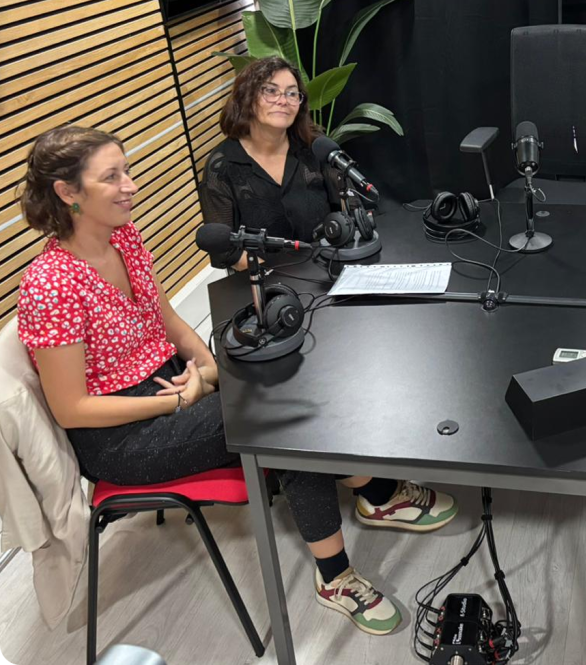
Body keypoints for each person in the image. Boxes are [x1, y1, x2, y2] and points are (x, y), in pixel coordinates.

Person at [17, 126, 458, 637]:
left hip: (172, 381)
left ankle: (374, 492)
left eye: (127, 171)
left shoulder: (123, 237)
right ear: (67, 192)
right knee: (280, 422)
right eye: (111, 177)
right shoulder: (50, 285)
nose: (130, 186)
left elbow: (168, 321)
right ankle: (339, 569)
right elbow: (71, 408)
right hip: (120, 435)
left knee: (288, 382)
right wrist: (175, 402)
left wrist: (208, 369)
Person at [198, 56, 343, 272]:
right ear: (247, 97)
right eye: (271, 91)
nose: (283, 100)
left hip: (326, 267)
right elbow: (226, 250)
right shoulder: (221, 167)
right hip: (264, 279)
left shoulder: (314, 148)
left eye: (292, 93)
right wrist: (281, 280)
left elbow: (347, 210)